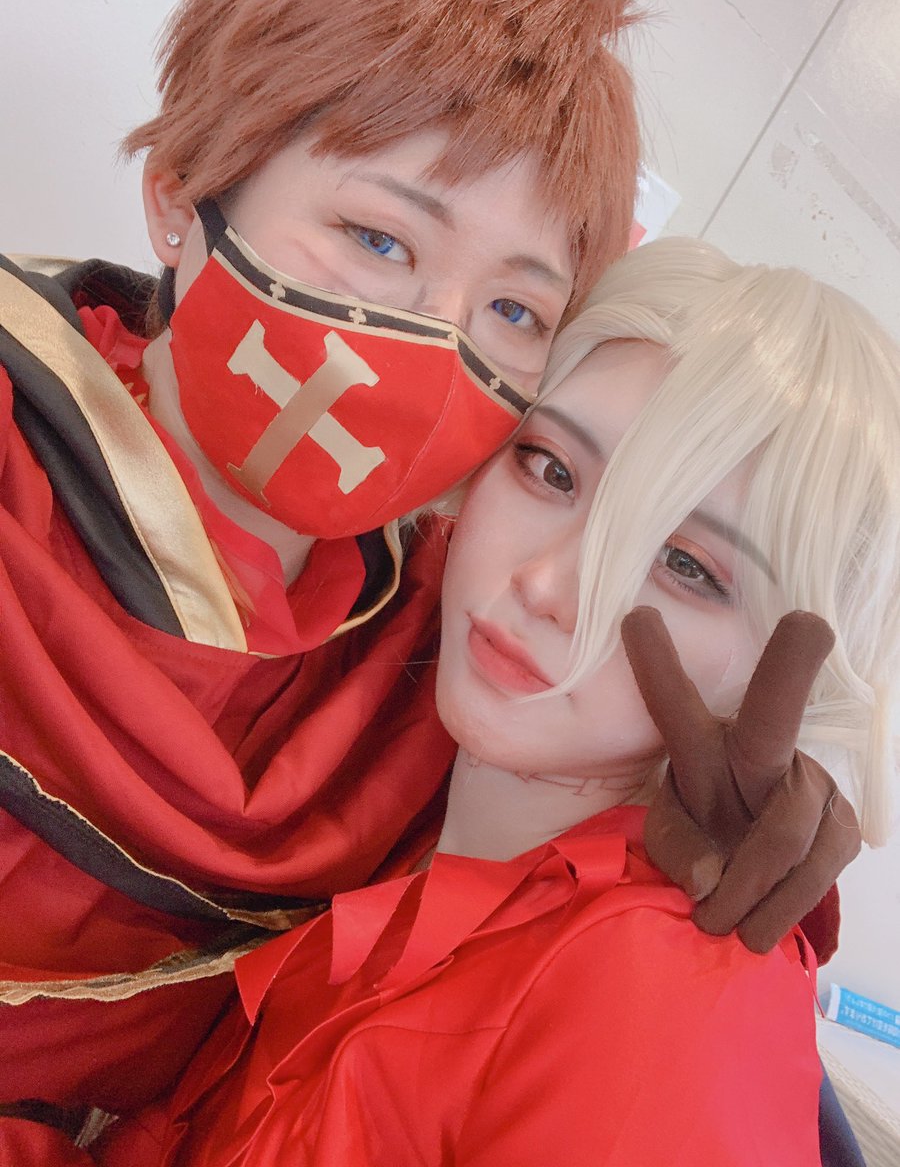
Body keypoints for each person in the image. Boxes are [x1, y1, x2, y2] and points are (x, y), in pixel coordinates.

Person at [0, 0, 858, 1137]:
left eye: (514, 312)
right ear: (182, 192)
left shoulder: (438, 640)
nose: (430, 345)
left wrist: (771, 814)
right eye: (378, 239)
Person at [32, 234, 898, 1166]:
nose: (546, 586)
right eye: (550, 469)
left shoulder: (657, 1002)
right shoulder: (375, 707)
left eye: (686, 566)